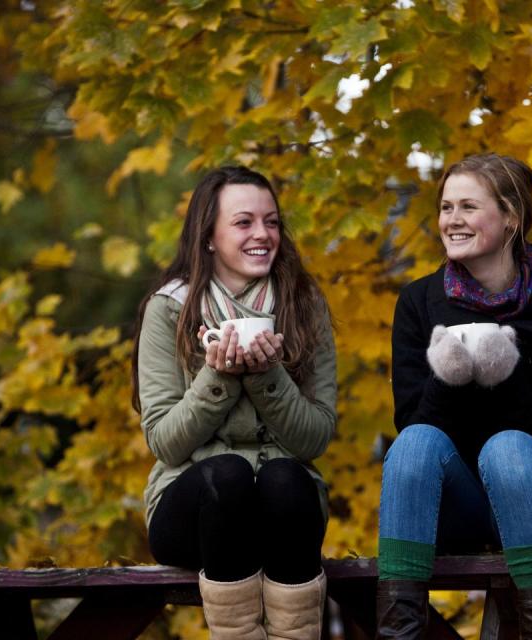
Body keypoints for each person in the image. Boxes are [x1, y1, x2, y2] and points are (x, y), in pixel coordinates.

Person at [376, 154, 532, 640]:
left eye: (468, 206)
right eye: (445, 207)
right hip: (455, 507)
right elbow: (411, 436)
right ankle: (398, 631)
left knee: (507, 448)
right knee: (416, 442)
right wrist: (447, 377)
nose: (451, 220)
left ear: (511, 218)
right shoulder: (418, 304)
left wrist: (508, 377)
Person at [131, 166, 336, 640]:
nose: (263, 234)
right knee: (229, 474)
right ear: (208, 237)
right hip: (194, 506)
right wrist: (218, 375)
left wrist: (268, 375)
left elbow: (315, 437)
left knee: (286, 477)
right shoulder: (168, 308)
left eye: (272, 222)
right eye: (244, 223)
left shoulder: (304, 304)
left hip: (284, 512)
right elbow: (164, 442)